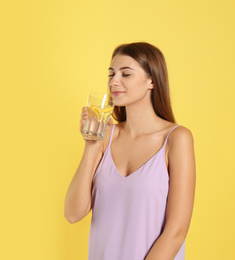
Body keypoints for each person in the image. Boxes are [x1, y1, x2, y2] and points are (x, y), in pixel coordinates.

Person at [64, 42, 196, 260]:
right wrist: (91, 145)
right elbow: (72, 214)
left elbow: (176, 231)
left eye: (126, 74)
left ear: (151, 81)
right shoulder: (106, 137)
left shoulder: (176, 139)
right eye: (111, 74)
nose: (114, 81)